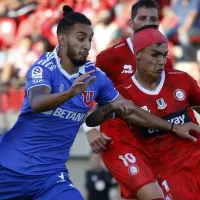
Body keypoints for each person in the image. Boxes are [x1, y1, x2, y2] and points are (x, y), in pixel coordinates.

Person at [0, 4, 190, 200]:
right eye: (81, 39)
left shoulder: (95, 77)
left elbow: (130, 111)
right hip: (8, 169)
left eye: (90, 39)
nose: (87, 45)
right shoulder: (45, 67)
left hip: (50, 178)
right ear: (62, 40)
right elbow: (37, 102)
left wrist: (172, 127)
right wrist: (70, 93)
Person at [86, 27, 200, 200]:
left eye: (164, 55)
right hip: (161, 168)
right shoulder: (122, 93)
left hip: (192, 155)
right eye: (155, 55)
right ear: (138, 54)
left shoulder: (181, 80)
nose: (161, 61)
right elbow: (92, 119)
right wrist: (105, 114)